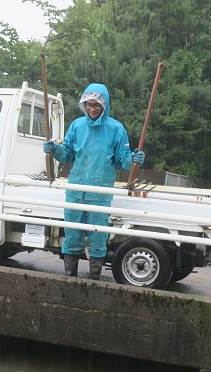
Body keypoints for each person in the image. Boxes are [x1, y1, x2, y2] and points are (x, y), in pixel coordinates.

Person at [44, 83, 145, 279]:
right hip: (75, 190)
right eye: (89, 105)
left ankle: (94, 279)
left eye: (96, 105)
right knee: (72, 235)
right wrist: (54, 150)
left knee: (98, 238)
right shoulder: (76, 125)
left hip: (100, 193)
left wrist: (133, 159)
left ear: (104, 106)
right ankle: (69, 277)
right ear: (84, 104)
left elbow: (122, 160)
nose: (92, 109)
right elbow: (68, 154)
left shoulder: (116, 129)